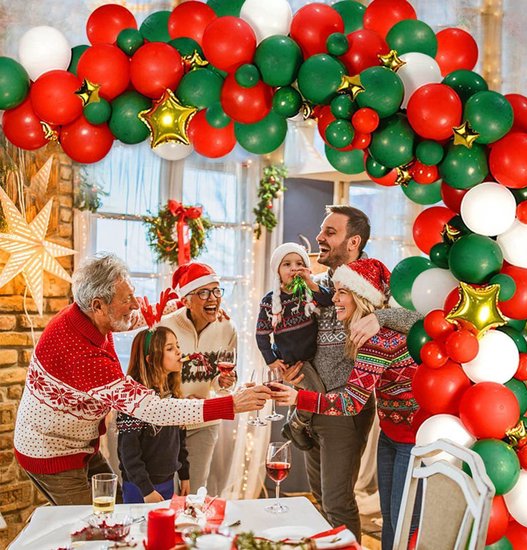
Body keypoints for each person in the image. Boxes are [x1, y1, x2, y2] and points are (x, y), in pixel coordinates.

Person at [13, 253, 269, 505]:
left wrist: (183, 306)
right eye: (127, 299)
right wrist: (231, 404)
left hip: (82, 445)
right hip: (52, 452)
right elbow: (152, 409)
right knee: (89, 528)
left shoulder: (89, 316)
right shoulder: (81, 354)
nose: (135, 304)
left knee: (117, 510)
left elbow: (132, 317)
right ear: (98, 305)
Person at [281, 205, 421, 541]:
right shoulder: (318, 284)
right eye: (321, 230)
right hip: (313, 400)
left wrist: (382, 318)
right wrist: (288, 365)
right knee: (321, 501)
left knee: (339, 501)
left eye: (330, 232)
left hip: (346, 405)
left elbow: (421, 320)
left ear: (353, 241)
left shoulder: (375, 279)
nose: (319, 238)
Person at [160, 262, 238, 493]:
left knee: (193, 492)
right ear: (186, 300)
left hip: (205, 422)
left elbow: (222, 381)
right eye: (203, 292)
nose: (212, 298)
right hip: (168, 421)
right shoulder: (166, 326)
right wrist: (179, 401)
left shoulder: (227, 327)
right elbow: (153, 377)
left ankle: (190, 530)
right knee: (165, 490)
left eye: (216, 291)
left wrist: (224, 383)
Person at [255, 243, 331, 443]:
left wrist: (311, 283)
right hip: (293, 359)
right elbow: (261, 335)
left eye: (299, 264)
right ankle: (295, 425)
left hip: (314, 356)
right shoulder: (270, 301)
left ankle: (300, 425)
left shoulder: (308, 293)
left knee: (302, 394)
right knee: (316, 393)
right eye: (287, 264)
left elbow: (328, 301)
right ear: (278, 271)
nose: (293, 268)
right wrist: (271, 361)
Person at [117, 326, 190, 503]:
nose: (179, 352)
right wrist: (146, 490)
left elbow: (180, 440)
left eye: (177, 346)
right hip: (140, 487)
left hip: (167, 482)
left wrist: (184, 474)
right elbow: (128, 453)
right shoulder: (134, 400)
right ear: (151, 359)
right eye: (170, 348)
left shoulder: (172, 395)